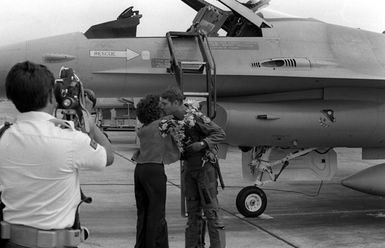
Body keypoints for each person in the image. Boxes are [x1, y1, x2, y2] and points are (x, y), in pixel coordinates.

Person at [0, 61, 114, 248]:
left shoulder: (2, 135)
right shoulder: (70, 139)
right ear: (50, 96)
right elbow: (108, 157)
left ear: (12, 98)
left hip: (12, 241)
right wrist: (88, 120)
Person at [159, 87, 226, 248]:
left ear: (176, 102)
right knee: (193, 213)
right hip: (189, 169)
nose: (161, 106)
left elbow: (219, 133)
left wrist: (202, 144)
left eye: (164, 103)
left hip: (204, 169)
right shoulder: (169, 121)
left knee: (211, 212)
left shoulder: (195, 117)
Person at [133, 94, 180, 248]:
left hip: (140, 170)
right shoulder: (161, 124)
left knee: (143, 212)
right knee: (157, 213)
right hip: (154, 170)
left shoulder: (144, 128)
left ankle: (141, 245)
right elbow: (178, 117)